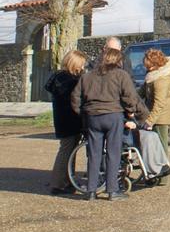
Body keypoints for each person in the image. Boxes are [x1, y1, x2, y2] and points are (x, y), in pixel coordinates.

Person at [71, 46, 149, 201]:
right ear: (118, 61)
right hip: (113, 116)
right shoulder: (121, 75)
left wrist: (84, 113)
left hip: (93, 117)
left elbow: (75, 98)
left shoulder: (87, 76)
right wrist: (131, 112)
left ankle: (91, 190)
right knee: (113, 153)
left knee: (94, 154)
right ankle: (112, 190)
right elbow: (130, 97)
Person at [44, 49, 87, 195]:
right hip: (69, 121)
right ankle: (58, 184)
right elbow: (74, 101)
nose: (83, 67)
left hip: (63, 120)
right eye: (81, 64)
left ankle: (67, 181)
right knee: (66, 152)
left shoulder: (59, 78)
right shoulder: (69, 81)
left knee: (69, 151)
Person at [141, 49, 170, 185]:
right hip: (157, 113)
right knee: (156, 144)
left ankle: (162, 177)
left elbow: (159, 103)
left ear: (155, 64)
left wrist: (150, 121)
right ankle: (154, 172)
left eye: (148, 65)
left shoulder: (161, 79)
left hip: (162, 116)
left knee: (161, 146)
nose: (147, 68)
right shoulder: (153, 75)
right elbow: (142, 91)